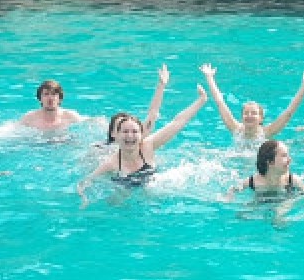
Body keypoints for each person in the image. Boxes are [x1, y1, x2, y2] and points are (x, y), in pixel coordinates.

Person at [77, 85, 208, 204]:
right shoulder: (111, 163)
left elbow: (177, 122)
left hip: (152, 187)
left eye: (134, 132)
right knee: (116, 202)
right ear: (116, 135)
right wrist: (84, 198)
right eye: (125, 132)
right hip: (124, 188)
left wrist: (201, 100)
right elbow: (85, 182)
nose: (130, 136)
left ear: (141, 134)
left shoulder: (148, 146)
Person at [22, 66, 169, 133]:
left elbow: (90, 122)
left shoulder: (70, 116)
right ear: (40, 98)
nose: (50, 98)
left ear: (60, 98)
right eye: (46, 94)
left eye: (54, 94)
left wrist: (102, 122)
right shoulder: (29, 118)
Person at [200, 64, 304, 144]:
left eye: (253, 113)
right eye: (246, 113)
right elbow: (220, 103)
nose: (249, 115)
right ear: (242, 117)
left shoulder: (267, 133)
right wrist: (209, 77)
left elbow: (289, 112)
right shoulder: (235, 129)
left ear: (261, 118)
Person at [227, 140, 304, 201]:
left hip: (285, 200)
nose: (289, 159)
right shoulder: (252, 182)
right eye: (284, 156)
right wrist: (228, 198)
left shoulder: (291, 180)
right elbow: (233, 189)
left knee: (281, 209)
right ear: (270, 162)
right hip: (260, 202)